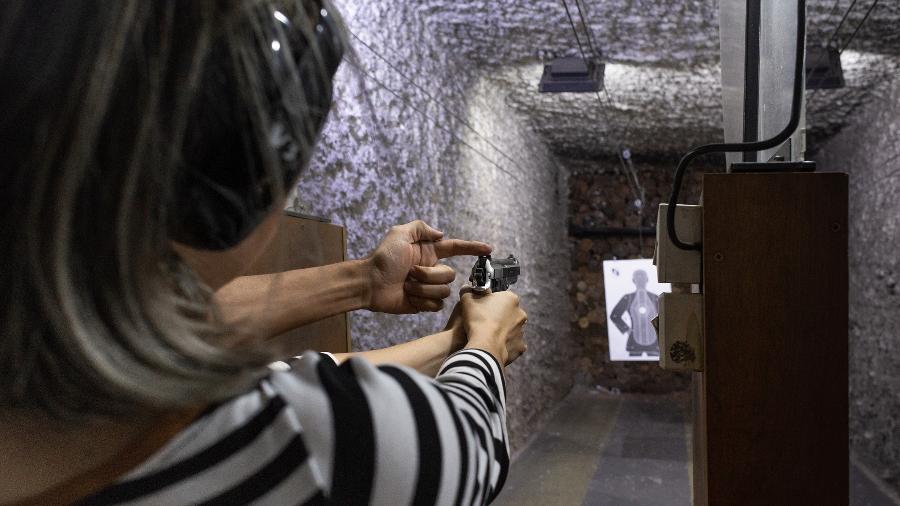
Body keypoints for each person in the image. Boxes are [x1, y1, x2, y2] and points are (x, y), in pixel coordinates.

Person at [0, 0, 527, 504]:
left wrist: (370, 285)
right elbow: (465, 441)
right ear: (237, 184)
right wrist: (487, 342)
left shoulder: (41, 349)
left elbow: (179, 332)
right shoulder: (317, 449)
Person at [609, 269, 660, 357]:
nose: (640, 281)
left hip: (653, 341)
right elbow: (614, 316)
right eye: (638, 278)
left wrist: (658, 330)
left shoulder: (655, 297)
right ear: (633, 280)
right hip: (634, 341)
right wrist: (626, 329)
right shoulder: (628, 298)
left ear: (647, 279)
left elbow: (665, 316)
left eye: (642, 278)